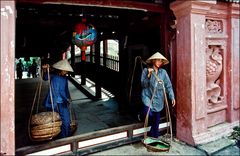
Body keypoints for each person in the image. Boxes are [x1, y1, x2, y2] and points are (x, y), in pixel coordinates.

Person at [140, 52, 175, 139]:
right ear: (153, 61)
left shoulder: (163, 72)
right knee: (149, 114)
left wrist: (172, 97)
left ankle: (154, 138)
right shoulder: (146, 70)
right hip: (148, 97)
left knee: (156, 121)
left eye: (161, 61)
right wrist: (148, 75)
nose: (160, 62)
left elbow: (168, 85)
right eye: (158, 60)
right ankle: (140, 115)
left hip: (159, 99)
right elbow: (143, 85)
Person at [42, 59, 74, 138]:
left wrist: (68, 97)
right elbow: (45, 77)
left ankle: (64, 138)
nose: (66, 72)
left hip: (62, 102)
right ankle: (57, 137)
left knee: (66, 122)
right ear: (60, 69)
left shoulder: (65, 78)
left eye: (67, 71)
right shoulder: (53, 75)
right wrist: (45, 69)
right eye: (65, 70)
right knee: (55, 122)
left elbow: (66, 89)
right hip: (53, 102)